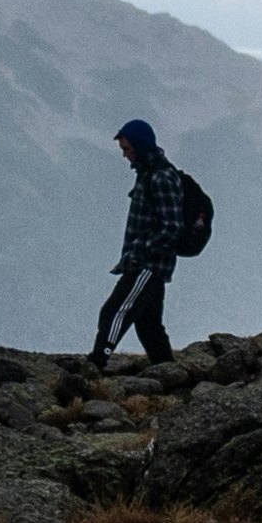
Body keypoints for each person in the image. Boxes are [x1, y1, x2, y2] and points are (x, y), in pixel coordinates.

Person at [92, 117, 201, 365]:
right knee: (149, 325)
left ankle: (97, 362)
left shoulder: (161, 177)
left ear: (140, 146)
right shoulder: (148, 173)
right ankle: (168, 371)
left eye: (127, 149)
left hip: (148, 265)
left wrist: (142, 252)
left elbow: (172, 226)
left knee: (115, 311)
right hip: (147, 263)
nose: (124, 155)